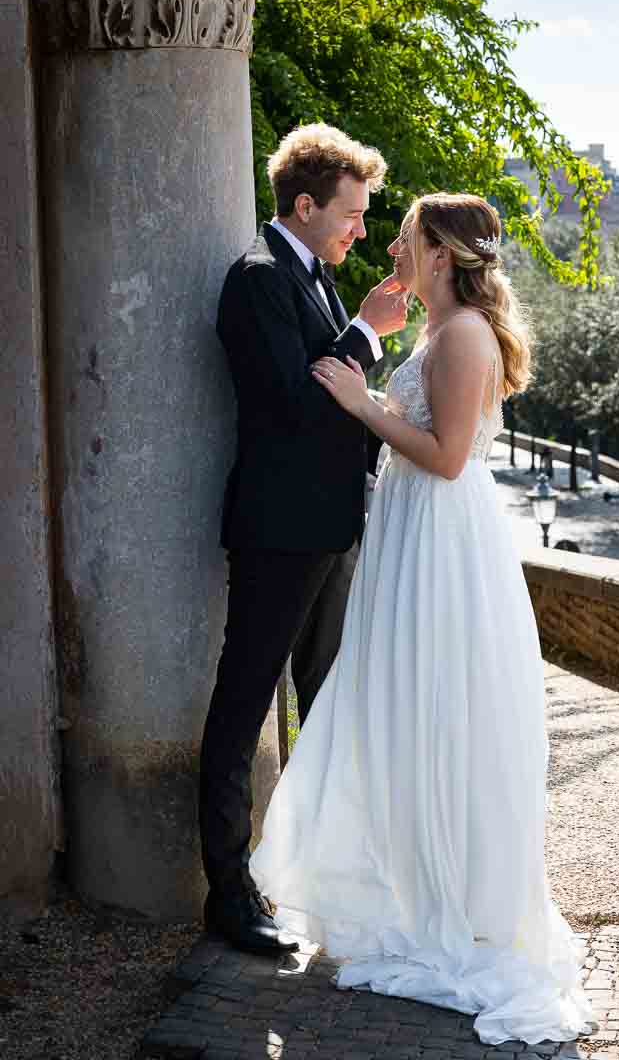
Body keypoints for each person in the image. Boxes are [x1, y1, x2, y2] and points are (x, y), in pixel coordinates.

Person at [249, 193, 596, 1046]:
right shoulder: (440, 329)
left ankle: (450, 902)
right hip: (414, 533)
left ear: (441, 251)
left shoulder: (468, 334)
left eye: (407, 234)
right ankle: (406, 880)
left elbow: (445, 458)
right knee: (400, 710)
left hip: (442, 537)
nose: (396, 244)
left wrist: (364, 404)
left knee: (435, 710)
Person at [199, 124, 408, 956]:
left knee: (326, 709)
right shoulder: (256, 280)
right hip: (279, 533)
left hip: (330, 528)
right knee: (243, 706)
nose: (360, 229)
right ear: (306, 204)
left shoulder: (313, 273)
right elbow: (291, 401)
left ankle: (327, 879)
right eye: (351, 214)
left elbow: (338, 397)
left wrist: (358, 340)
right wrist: (362, 334)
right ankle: (229, 892)